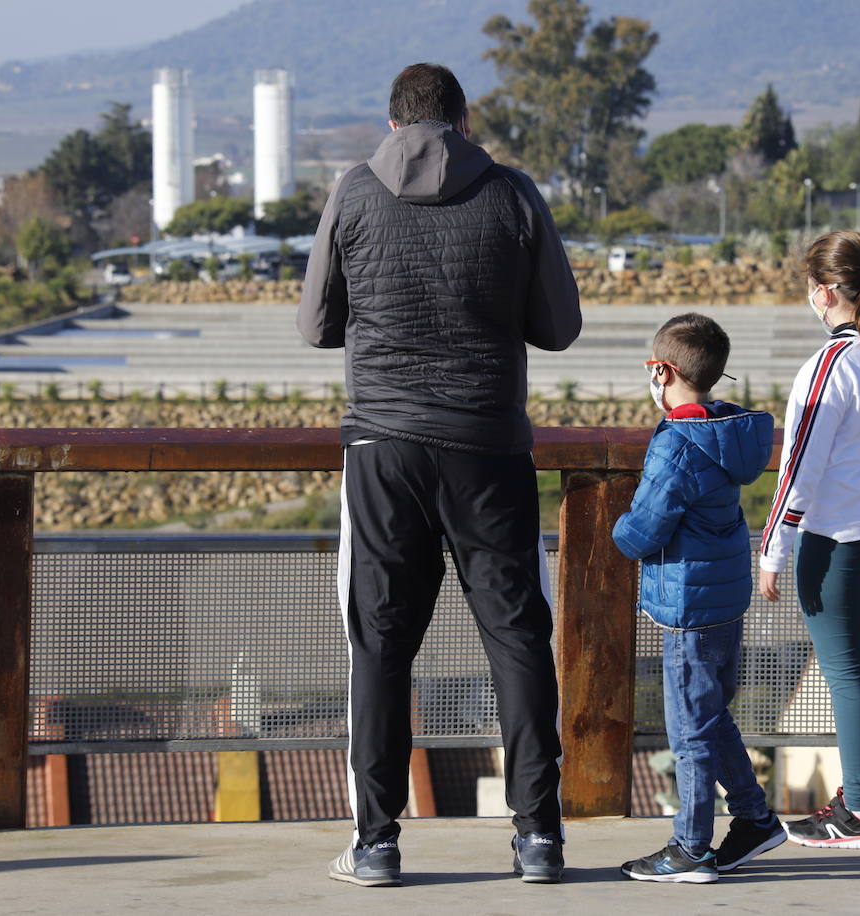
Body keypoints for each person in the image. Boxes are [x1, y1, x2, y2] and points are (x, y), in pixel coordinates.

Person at [298, 62, 582, 887]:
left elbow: (318, 325)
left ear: (392, 123)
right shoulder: (511, 192)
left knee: (381, 645)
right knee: (518, 638)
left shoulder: (353, 192)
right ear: (465, 122)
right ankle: (539, 839)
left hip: (381, 450)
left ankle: (377, 843)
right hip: (489, 447)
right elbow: (558, 326)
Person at [758, 230, 860, 849]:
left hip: (836, 539)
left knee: (846, 675)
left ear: (825, 292)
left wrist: (772, 550)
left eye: (808, 286)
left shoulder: (831, 365)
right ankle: (858, 799)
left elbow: (799, 467)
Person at [611, 313, 782, 883]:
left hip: (688, 604)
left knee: (688, 732)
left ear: (663, 371)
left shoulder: (678, 445)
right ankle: (755, 820)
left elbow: (643, 531)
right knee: (709, 717)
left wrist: (617, 529)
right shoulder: (725, 431)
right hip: (724, 594)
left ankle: (691, 849)